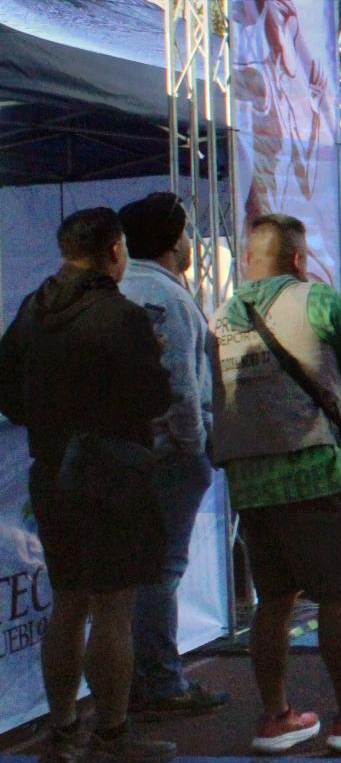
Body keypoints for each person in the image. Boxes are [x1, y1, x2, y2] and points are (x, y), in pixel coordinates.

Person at [209, 213, 341, 755]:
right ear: (299, 259)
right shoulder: (316, 299)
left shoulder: (221, 316)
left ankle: (276, 716)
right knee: (337, 596)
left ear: (249, 259)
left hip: (247, 477)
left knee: (273, 600)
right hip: (313, 468)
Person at [0, 208, 178, 763]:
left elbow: (7, 392)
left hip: (52, 471)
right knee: (113, 607)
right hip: (111, 473)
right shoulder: (120, 315)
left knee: (69, 602)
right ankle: (111, 735)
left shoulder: (32, 309)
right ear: (116, 251)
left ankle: (61, 733)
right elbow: (155, 398)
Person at [116, 193, 230, 721]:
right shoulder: (167, 296)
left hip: (121, 451)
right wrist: (194, 445)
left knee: (124, 577)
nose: (190, 242)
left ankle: (132, 680)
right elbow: (181, 387)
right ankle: (160, 681)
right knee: (161, 569)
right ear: (170, 239)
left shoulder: (117, 288)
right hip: (165, 454)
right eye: (185, 231)